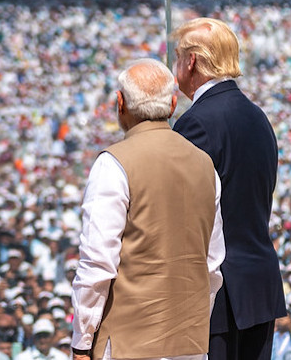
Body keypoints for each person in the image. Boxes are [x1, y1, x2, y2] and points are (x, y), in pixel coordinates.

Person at [71, 59, 225, 360]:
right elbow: (212, 264)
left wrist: (82, 341)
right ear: (171, 104)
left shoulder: (112, 164)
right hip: (190, 344)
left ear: (120, 104)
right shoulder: (205, 165)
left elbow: (97, 264)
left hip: (127, 344)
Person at [172, 17, 286, 360]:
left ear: (191, 61)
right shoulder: (258, 116)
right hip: (258, 289)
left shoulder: (195, 123)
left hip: (220, 296)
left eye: (177, 55)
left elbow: (183, 215)